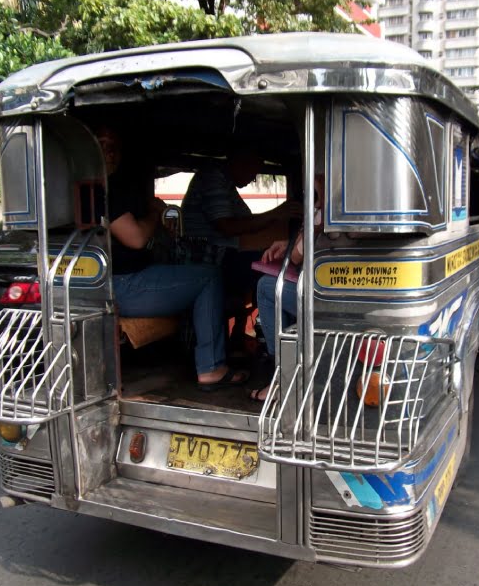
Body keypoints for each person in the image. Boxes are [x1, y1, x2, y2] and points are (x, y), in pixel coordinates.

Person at [97, 126, 247, 391]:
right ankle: (212, 367)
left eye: (114, 148)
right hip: (122, 285)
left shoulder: (98, 188)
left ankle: (190, 352)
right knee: (208, 276)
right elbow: (136, 238)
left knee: (187, 271)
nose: (110, 154)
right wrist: (155, 213)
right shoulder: (103, 192)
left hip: (113, 282)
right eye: (102, 146)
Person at [181, 148, 302, 350]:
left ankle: (262, 337)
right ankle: (278, 349)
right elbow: (226, 226)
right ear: (241, 161)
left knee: (270, 263)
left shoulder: (225, 183)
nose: (254, 178)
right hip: (209, 256)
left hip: (223, 254)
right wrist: (276, 214)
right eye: (254, 170)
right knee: (268, 275)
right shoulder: (213, 177)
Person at [249, 175, 324, 402]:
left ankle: (282, 377)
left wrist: (316, 205)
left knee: (266, 288)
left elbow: (297, 255)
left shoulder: (321, 213)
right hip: (337, 292)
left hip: (324, 299)